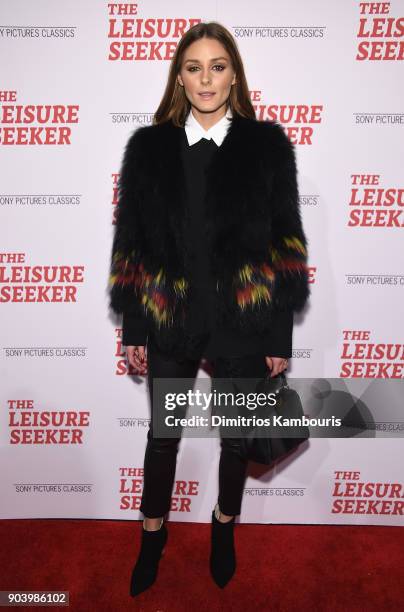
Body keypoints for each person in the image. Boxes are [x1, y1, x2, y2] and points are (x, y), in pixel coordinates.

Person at [108, 21, 310, 597]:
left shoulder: (267, 146)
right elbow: (133, 246)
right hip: (170, 316)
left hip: (243, 320)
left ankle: (224, 526)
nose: (206, 78)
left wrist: (279, 338)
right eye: (193, 67)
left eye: (217, 66)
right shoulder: (148, 149)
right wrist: (134, 327)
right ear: (179, 77)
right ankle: (153, 535)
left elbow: (286, 248)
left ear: (234, 75)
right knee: (163, 435)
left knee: (237, 439)